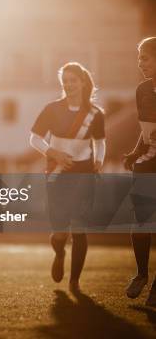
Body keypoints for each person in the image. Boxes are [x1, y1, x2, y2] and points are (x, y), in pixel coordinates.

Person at [29, 62, 106, 293]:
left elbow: (100, 142)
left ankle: (75, 281)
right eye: (65, 81)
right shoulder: (52, 109)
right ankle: (60, 252)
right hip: (56, 175)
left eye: (73, 80)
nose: (69, 85)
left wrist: (99, 161)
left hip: (83, 175)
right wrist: (54, 153)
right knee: (60, 231)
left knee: (79, 229)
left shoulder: (95, 114)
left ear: (83, 82)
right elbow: (34, 139)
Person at [123, 37, 156, 305]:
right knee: (140, 222)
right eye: (139, 57)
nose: (140, 62)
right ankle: (142, 274)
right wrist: (135, 152)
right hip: (147, 163)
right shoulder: (142, 90)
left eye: (145, 57)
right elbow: (145, 132)